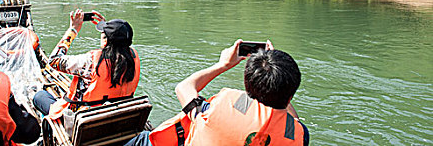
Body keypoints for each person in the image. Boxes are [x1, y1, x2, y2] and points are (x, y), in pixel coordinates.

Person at [125, 40, 309, 146]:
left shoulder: (214, 111)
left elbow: (184, 87)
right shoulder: (300, 136)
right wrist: (278, 76)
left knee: (143, 139)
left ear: (247, 86)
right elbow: (292, 120)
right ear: (290, 95)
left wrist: (222, 65)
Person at [33, 9, 140, 118]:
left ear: (105, 40)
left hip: (85, 118)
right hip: (119, 113)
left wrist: (73, 30)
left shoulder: (90, 61)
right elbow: (114, 50)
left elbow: (54, 60)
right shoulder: (134, 56)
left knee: (39, 96)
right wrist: (108, 30)